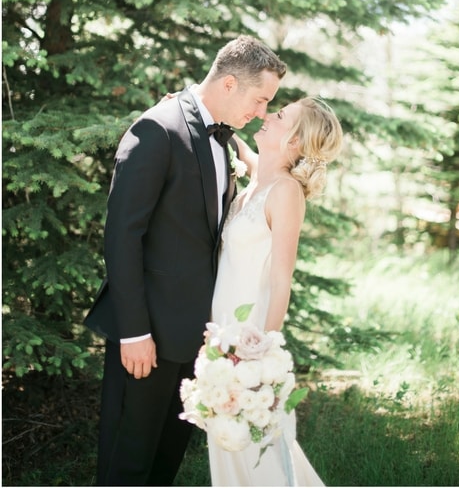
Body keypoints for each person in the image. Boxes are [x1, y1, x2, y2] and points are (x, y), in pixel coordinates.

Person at [84, 35, 287, 485]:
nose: (260, 113)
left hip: (195, 339)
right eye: (260, 99)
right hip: (148, 336)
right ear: (230, 84)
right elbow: (122, 237)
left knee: (162, 464)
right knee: (127, 463)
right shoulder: (158, 128)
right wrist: (134, 331)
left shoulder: (227, 141)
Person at [208, 96, 343, 486]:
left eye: (281, 116)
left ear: (296, 142)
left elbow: (282, 278)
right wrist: (188, 105)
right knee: (227, 442)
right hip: (219, 332)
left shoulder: (285, 192)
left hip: (249, 335)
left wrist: (264, 350)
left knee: (257, 449)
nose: (269, 115)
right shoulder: (257, 180)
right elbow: (240, 147)